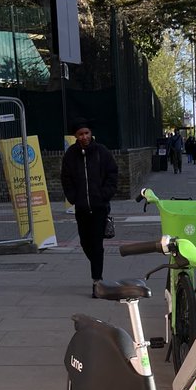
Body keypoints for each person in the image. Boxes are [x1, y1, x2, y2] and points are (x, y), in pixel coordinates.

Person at [61, 118, 118, 297]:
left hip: (99, 207)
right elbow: (66, 178)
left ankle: (97, 280)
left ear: (91, 133)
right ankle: (97, 265)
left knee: (96, 243)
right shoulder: (70, 154)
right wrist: (73, 197)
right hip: (82, 208)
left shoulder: (102, 152)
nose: (84, 136)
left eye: (86, 133)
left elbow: (112, 173)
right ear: (76, 136)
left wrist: (105, 194)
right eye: (80, 134)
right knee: (85, 243)